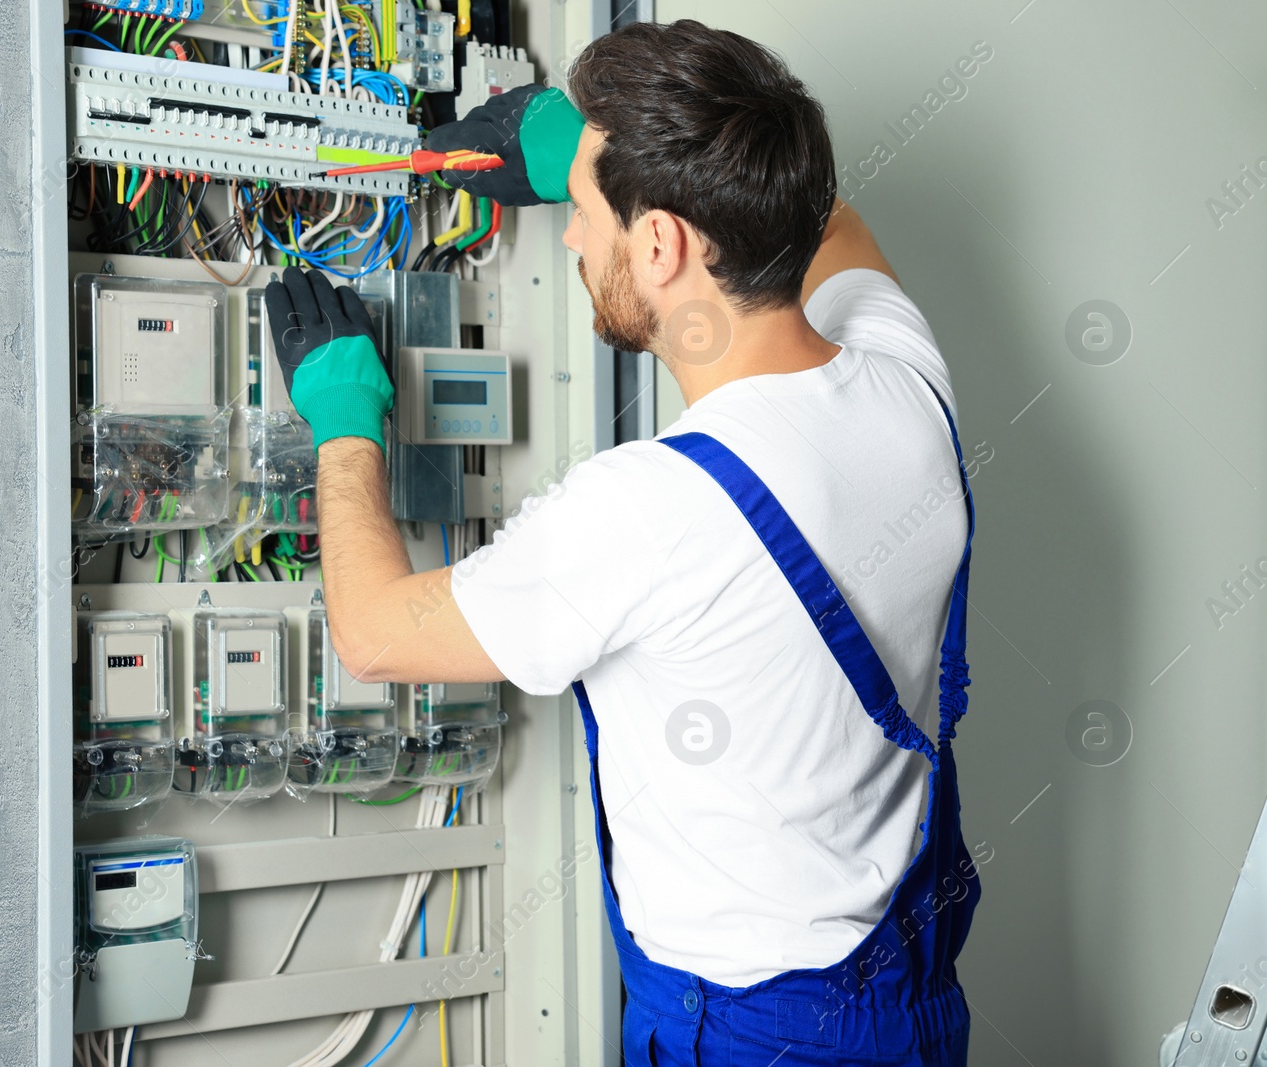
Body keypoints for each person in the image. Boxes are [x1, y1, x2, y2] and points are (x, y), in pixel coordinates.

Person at [263, 18, 979, 1066]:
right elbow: (830, 221)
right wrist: (580, 152)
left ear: (662, 245)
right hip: (908, 1004)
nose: (567, 234)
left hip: (745, 1034)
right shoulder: (901, 377)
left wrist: (342, 418)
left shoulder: (648, 507)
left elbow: (372, 633)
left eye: (587, 211)